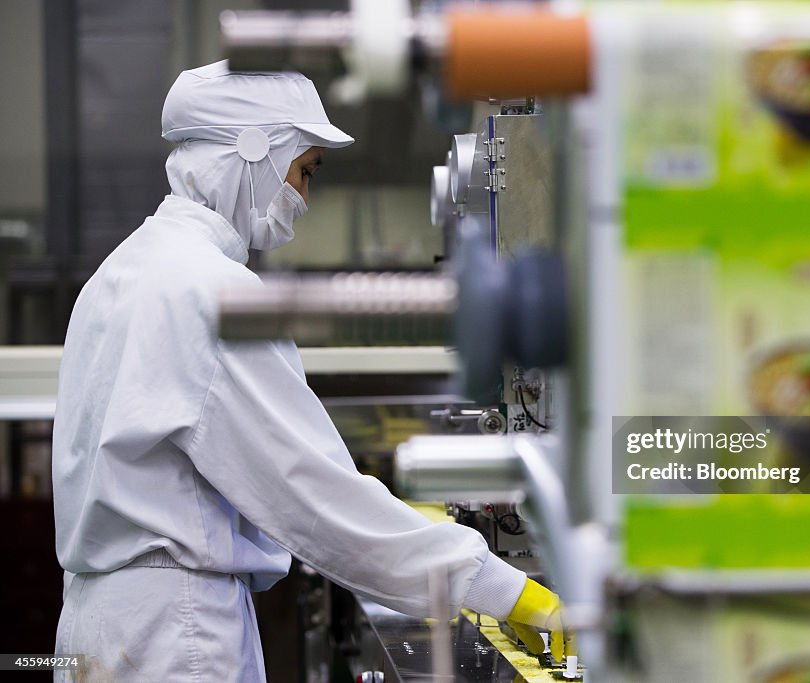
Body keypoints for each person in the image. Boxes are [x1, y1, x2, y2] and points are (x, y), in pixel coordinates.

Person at [52, 60, 563, 682]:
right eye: (304, 170)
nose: (304, 195)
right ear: (251, 153)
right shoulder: (210, 292)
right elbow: (315, 496)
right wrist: (504, 589)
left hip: (96, 626)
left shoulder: (124, 271)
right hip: (174, 638)